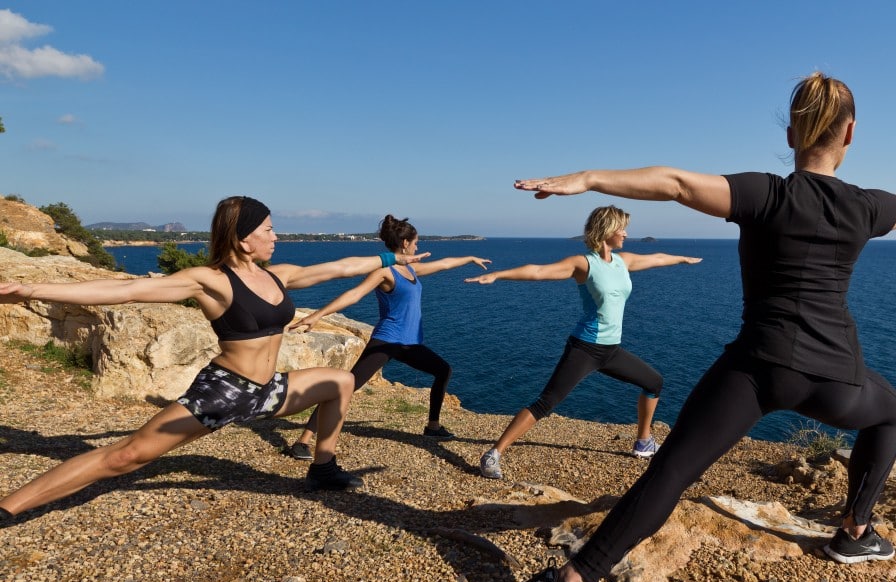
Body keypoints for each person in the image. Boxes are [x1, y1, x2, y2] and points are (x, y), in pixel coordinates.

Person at [490, 72, 896, 582]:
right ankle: (855, 532)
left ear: (791, 135)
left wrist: (588, 179)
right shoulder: (866, 207)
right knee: (891, 411)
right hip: (837, 378)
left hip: (756, 370)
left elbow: (676, 183)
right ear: (850, 134)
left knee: (672, 472)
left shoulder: (767, 194)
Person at [0, 196, 430, 524]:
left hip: (268, 390)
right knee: (124, 458)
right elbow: (123, 290)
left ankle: (323, 468)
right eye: (270, 229)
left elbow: (343, 267)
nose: (276, 236)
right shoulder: (210, 281)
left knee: (340, 382)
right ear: (244, 239)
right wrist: (31, 289)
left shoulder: (278, 275)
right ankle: (9, 507)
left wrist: (394, 258)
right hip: (224, 392)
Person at [465, 205, 702, 479]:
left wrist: (682, 258)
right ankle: (493, 454)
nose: (625, 233)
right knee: (546, 402)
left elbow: (658, 257)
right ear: (606, 230)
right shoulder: (584, 264)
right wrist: (498, 274)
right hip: (585, 348)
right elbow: (539, 271)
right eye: (621, 227)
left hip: (611, 351)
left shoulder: (624, 261)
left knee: (653, 383)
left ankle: (643, 442)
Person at [283, 214, 491, 459]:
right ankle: (303, 440)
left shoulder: (411, 269)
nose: (417, 246)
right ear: (405, 243)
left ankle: (432, 427)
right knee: (347, 386)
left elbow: (443, 264)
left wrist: (469, 258)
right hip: (387, 341)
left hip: (409, 344)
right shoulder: (385, 272)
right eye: (415, 242)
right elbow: (354, 294)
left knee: (443, 370)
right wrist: (317, 315)